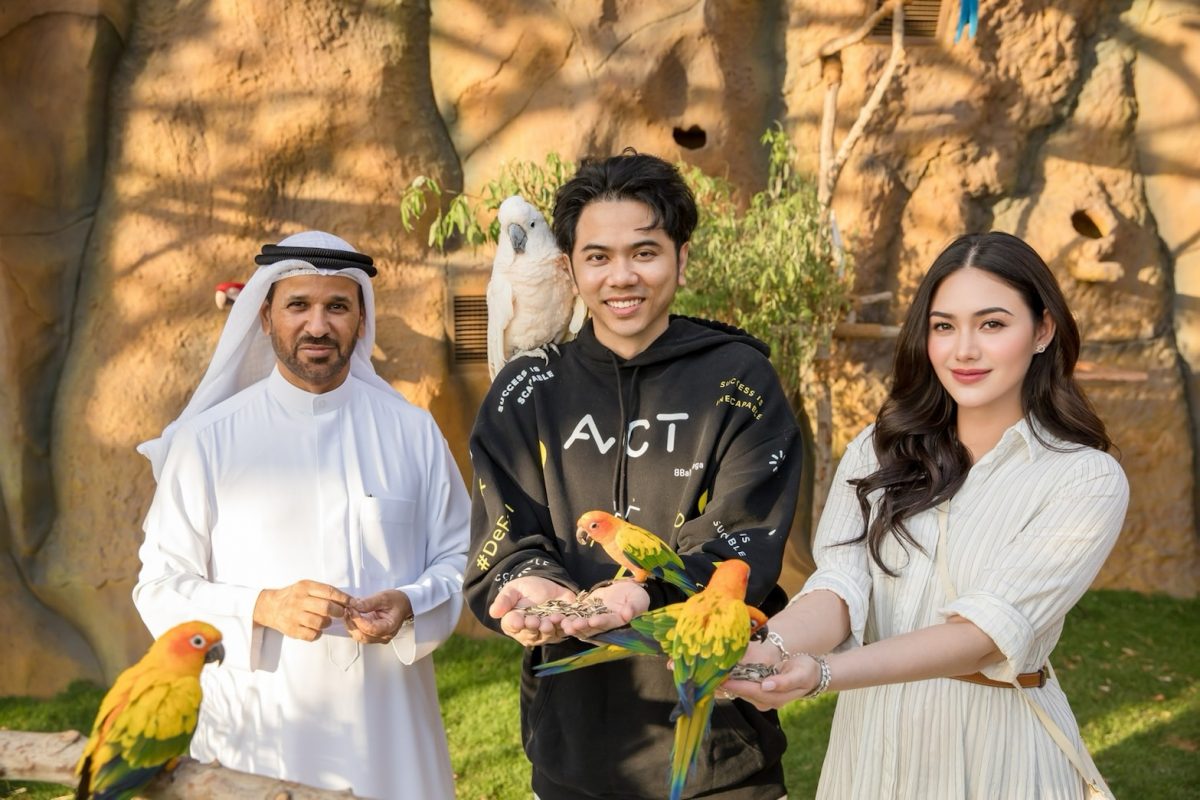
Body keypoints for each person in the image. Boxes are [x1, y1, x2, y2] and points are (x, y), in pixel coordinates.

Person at [725, 231, 1127, 799]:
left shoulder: (1084, 479)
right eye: (944, 326)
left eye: (992, 324)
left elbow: (982, 637)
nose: (964, 350)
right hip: (868, 755)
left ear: (1042, 331)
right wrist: (767, 648)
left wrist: (823, 674)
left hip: (996, 757)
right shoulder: (877, 450)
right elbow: (840, 586)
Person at [464, 152, 804, 800]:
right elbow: (501, 531)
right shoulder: (526, 387)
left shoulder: (739, 379)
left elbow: (745, 538)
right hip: (570, 750)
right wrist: (530, 581)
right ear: (570, 267)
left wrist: (649, 594)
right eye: (598, 257)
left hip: (720, 748)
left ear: (682, 258)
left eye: (644, 252)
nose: (621, 277)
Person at [133, 231, 470, 799]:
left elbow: (461, 557)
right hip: (255, 731)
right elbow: (159, 587)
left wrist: (411, 603)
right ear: (266, 317)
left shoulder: (412, 432)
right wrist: (262, 607)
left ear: (361, 320)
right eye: (298, 305)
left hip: (388, 731)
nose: (318, 325)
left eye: (337, 306)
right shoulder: (205, 442)